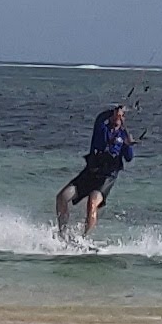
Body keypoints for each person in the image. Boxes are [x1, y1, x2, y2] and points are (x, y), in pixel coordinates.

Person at [56, 99, 137, 241]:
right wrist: (114, 110)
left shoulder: (124, 136)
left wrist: (128, 145)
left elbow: (129, 158)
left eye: (121, 116)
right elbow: (101, 117)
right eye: (116, 115)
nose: (117, 118)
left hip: (106, 177)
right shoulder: (101, 128)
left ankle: (84, 238)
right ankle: (63, 234)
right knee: (62, 197)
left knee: (92, 202)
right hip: (90, 172)